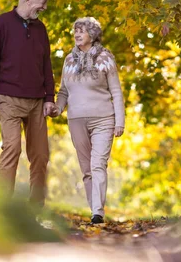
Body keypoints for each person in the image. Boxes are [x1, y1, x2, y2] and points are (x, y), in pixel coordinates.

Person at [0, 0, 56, 207]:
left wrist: (50, 98)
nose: (42, 9)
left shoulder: (40, 29)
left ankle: (36, 208)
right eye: (41, 4)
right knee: (12, 148)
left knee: (41, 155)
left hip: (37, 101)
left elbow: (46, 65)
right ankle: (5, 207)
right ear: (27, 0)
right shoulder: (1, 23)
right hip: (8, 98)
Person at [53, 17, 125, 224]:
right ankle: (93, 208)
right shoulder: (68, 60)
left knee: (97, 165)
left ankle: (98, 212)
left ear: (92, 35)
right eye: (75, 31)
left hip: (103, 119)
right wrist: (57, 108)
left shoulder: (105, 58)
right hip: (76, 120)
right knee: (86, 169)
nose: (76, 35)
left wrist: (119, 121)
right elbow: (63, 91)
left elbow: (116, 92)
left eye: (81, 31)